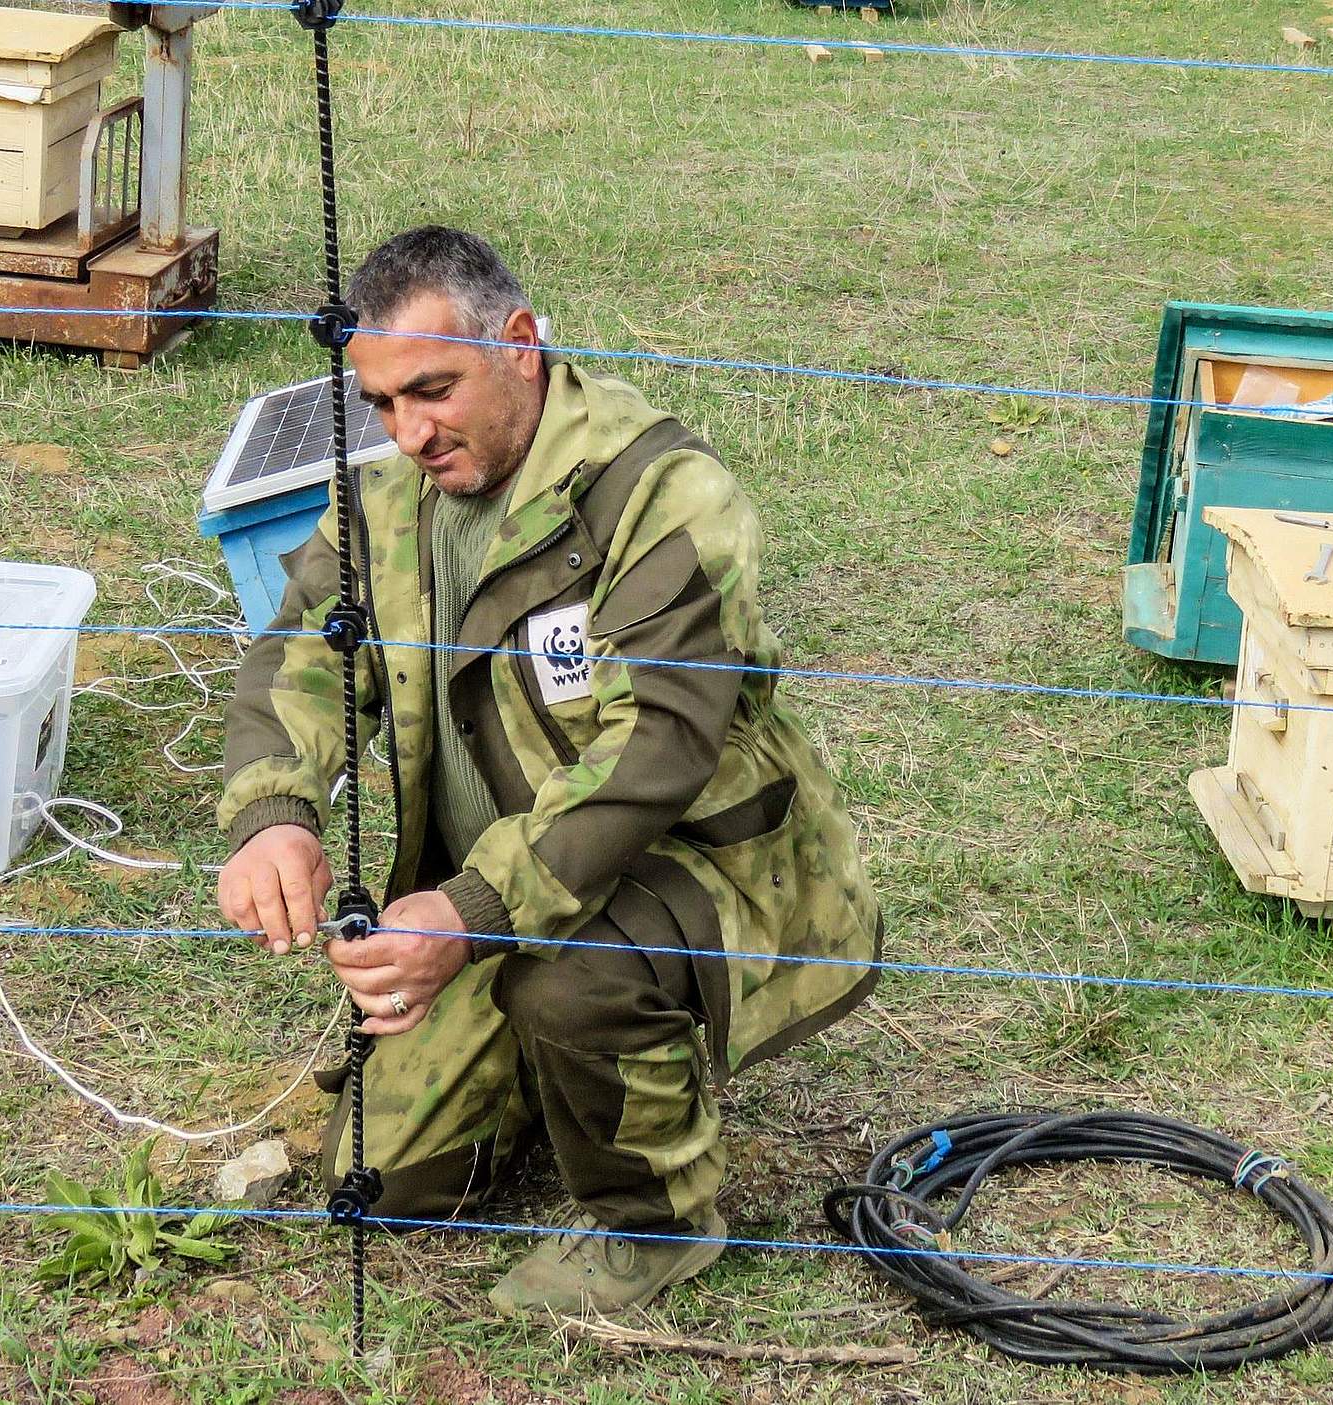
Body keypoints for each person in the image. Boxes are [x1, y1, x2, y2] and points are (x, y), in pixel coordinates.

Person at [215, 226, 881, 1315]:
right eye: (381, 404)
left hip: (696, 861)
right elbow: (298, 655)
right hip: (496, 883)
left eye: (433, 389)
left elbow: (654, 749)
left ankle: (655, 1220)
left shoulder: (663, 491)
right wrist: (275, 813)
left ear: (518, 343)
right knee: (385, 1183)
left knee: (569, 977)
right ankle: (541, 1053)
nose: (409, 431)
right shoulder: (381, 504)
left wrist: (470, 910)